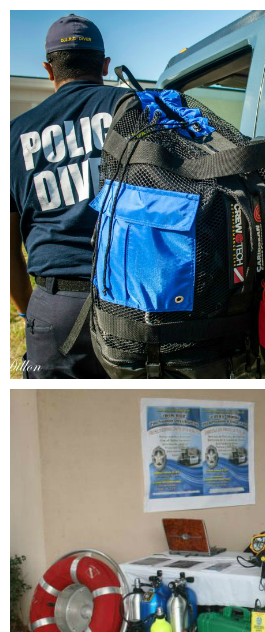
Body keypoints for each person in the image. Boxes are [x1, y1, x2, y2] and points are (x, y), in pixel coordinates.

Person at [11, 15, 124, 378]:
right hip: (138, 301)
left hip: (55, 305)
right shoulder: (136, 110)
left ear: (48, 69)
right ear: (105, 65)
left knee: (59, 423)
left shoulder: (14, 135)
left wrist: (31, 308)